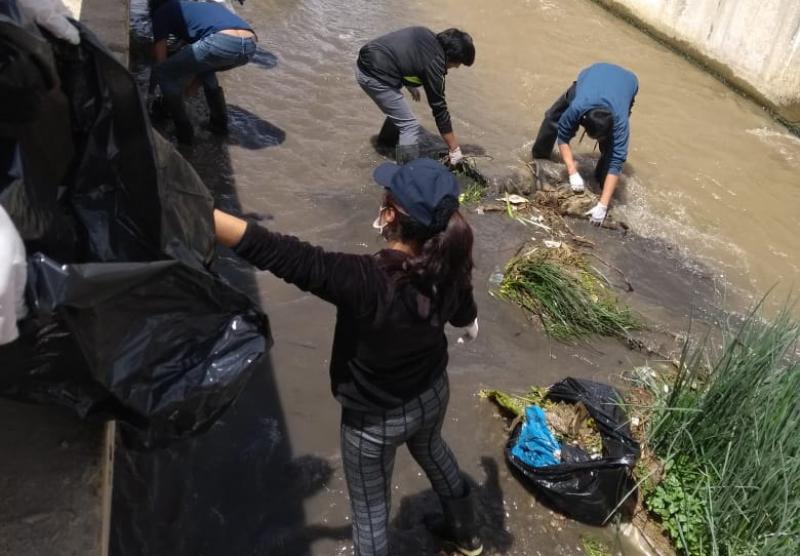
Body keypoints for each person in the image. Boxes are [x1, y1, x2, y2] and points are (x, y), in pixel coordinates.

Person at [213, 159, 483, 556]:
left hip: (373, 420)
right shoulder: (450, 260)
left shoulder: (366, 279)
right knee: (433, 450)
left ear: (390, 214)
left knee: (371, 513)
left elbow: (283, 254)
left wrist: (204, 216)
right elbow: (462, 312)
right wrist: (469, 319)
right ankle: (467, 535)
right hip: (431, 393)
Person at [532, 62, 639, 226]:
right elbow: (563, 135)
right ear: (583, 120)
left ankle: (601, 184)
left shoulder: (620, 122)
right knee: (552, 118)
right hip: (593, 75)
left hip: (627, 82)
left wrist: (603, 205)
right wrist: (572, 170)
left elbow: (617, 160)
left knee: (611, 150)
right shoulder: (577, 107)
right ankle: (539, 157)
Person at [356, 27, 475, 164]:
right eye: (457, 64)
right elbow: (439, 109)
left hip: (366, 62)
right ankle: (406, 170)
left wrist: (409, 85)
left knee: (400, 110)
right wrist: (454, 149)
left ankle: (384, 145)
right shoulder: (435, 63)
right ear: (450, 57)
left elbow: (403, 55)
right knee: (410, 126)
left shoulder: (425, 34)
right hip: (373, 75)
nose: (456, 67)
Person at [149, 0, 257, 145]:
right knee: (206, 66)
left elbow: (160, 60)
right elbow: (201, 62)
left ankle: (183, 131)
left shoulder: (160, 12)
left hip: (221, 40)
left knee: (164, 72)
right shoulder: (197, 7)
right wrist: (190, 90)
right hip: (249, 45)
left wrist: (157, 89)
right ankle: (219, 125)